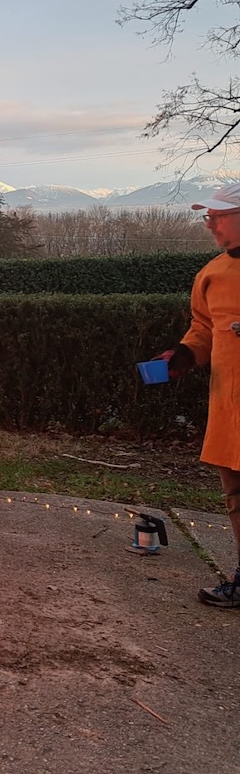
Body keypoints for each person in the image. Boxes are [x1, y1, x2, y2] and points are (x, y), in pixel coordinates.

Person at [151, 182, 240, 607]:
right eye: (209, 216)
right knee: (237, 495)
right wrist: (184, 355)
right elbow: (203, 327)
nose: (210, 225)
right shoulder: (212, 274)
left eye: (218, 216)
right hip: (230, 409)